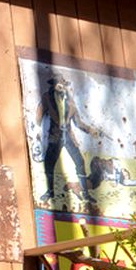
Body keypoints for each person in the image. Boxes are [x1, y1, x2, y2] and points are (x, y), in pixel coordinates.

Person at [36, 73, 101, 211]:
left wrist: (91, 130)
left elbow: (78, 122)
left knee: (80, 162)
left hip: (68, 136)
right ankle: (50, 191)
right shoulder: (47, 97)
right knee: (49, 163)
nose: (61, 85)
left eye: (63, 83)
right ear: (53, 85)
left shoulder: (70, 101)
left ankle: (86, 193)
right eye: (58, 83)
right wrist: (37, 130)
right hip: (54, 136)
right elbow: (39, 114)